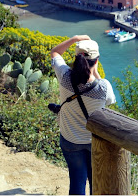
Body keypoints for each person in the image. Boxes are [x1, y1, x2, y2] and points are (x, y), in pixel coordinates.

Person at [50, 36, 115, 196]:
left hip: (70, 139)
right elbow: (110, 102)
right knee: (96, 182)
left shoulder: (64, 76)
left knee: (77, 182)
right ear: (96, 60)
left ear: (76, 58)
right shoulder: (103, 87)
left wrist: (75, 39)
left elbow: (55, 52)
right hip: (93, 142)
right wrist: (96, 73)